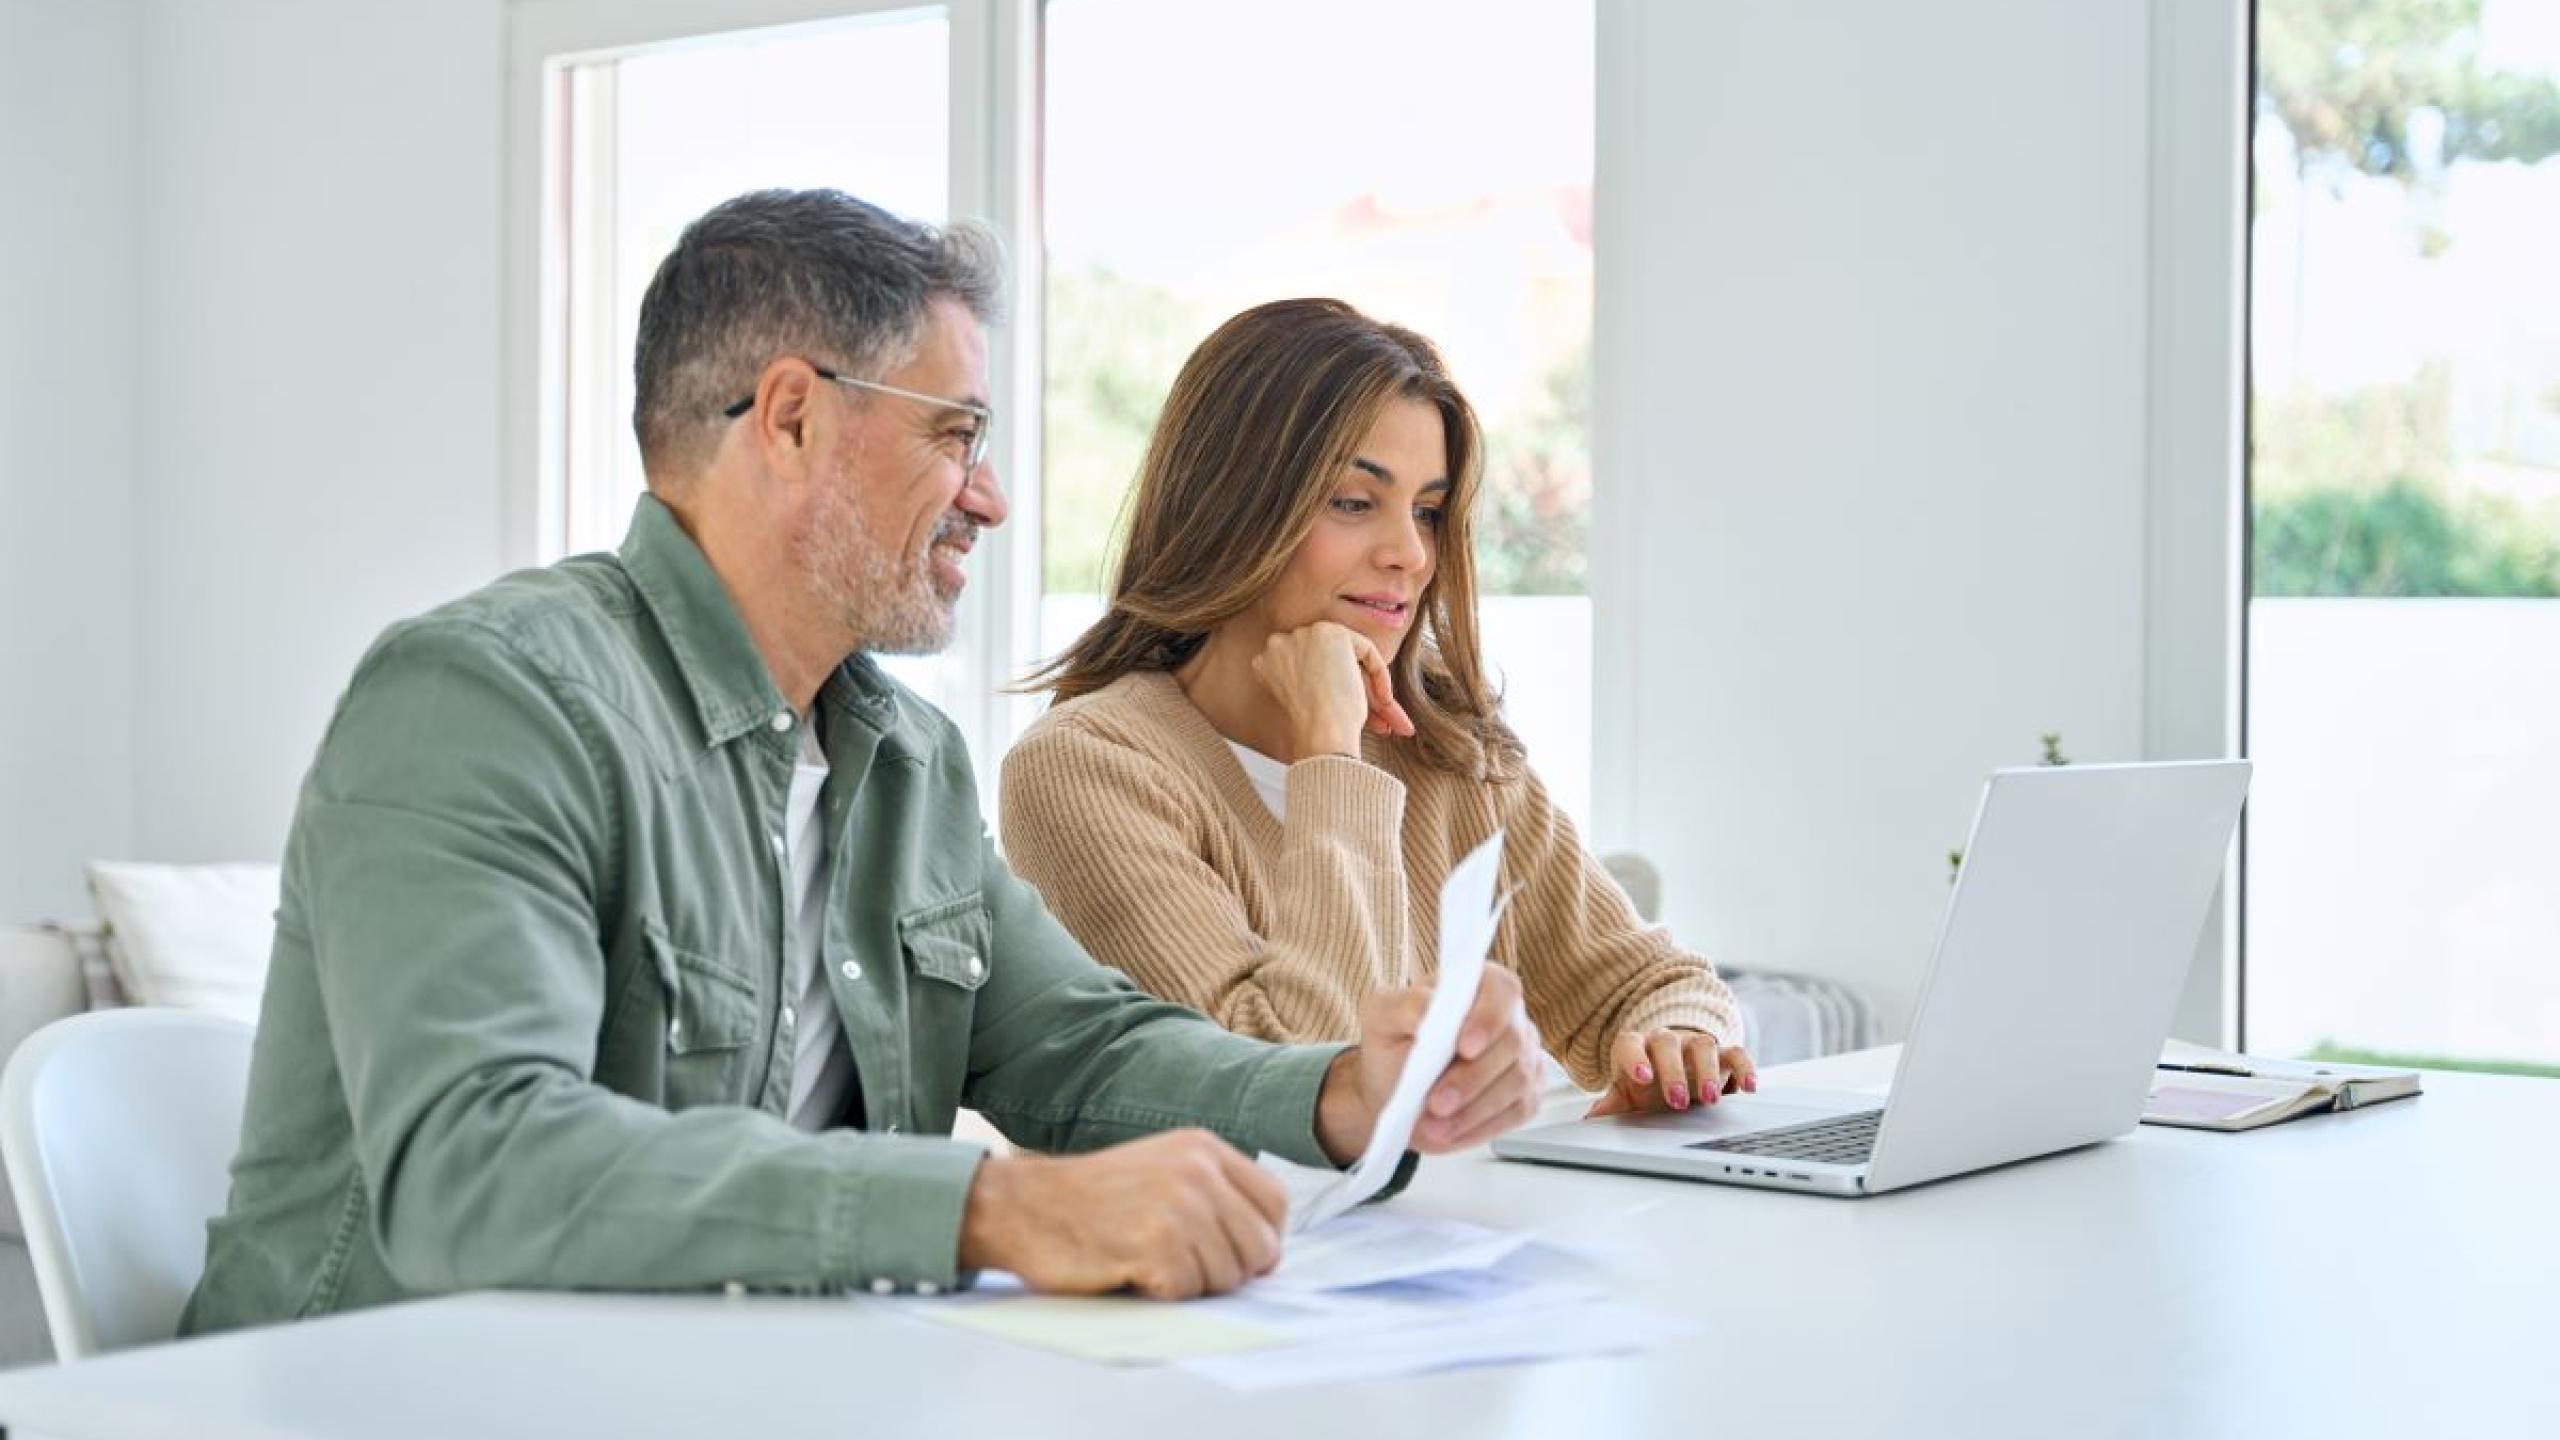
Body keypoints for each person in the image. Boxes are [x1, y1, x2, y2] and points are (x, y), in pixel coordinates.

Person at [181, 194, 1546, 1336]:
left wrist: (1336, 1091)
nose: (994, 498)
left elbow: (1074, 1048)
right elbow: (478, 1162)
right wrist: (986, 1209)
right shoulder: (487, 698)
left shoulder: (902, 761)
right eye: (956, 436)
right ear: (789, 420)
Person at [1003, 298, 1752, 1123]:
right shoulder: (1083, 770)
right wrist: (1330, 753)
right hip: (1246, 1248)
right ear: (1230, 507)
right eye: (1354, 503)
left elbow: (1647, 983)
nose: (1411, 554)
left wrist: (1676, 1040)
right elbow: (1285, 1083)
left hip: (1457, 1238)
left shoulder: (1447, 748)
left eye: (1426, 511)